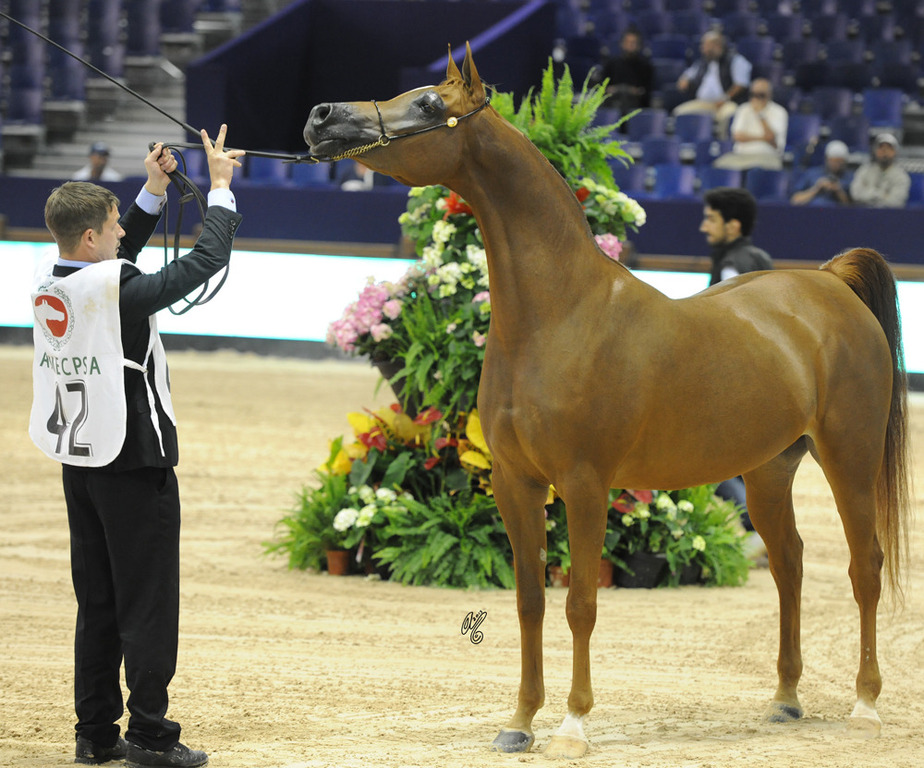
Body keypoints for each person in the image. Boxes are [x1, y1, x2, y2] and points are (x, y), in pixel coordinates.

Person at [30, 125, 244, 768]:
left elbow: (117, 274)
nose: (125, 231)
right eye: (117, 223)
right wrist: (222, 191)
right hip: (133, 458)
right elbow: (200, 264)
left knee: (97, 600)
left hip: (81, 460)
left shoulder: (53, 275)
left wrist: (152, 192)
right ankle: (151, 734)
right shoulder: (112, 288)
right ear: (91, 237)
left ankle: (95, 733)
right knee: (147, 603)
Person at [699, 186, 772, 563]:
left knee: (711, 456)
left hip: (732, 379)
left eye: (710, 219)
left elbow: (723, 323)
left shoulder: (731, 263)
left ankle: (753, 530)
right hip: (763, 376)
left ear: (733, 224)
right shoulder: (758, 256)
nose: (702, 226)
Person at [673, 31, 751, 137]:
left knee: (728, 115)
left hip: (726, 103)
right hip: (703, 103)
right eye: (703, 46)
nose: (704, 50)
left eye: (707, 46)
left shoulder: (735, 60)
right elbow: (687, 75)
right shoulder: (702, 62)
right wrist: (684, 81)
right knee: (679, 113)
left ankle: (724, 144)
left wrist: (725, 98)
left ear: (718, 46)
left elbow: (741, 84)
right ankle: (690, 142)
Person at [713, 78, 788, 171]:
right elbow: (737, 136)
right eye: (753, 95)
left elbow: (771, 138)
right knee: (718, 166)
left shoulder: (779, 111)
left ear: (769, 95)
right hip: (740, 156)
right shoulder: (743, 109)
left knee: (757, 171)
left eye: (761, 95)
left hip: (767, 156)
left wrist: (760, 114)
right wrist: (762, 138)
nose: (756, 98)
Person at [594, 28, 654, 112]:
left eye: (633, 43)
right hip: (613, 102)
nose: (630, 45)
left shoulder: (646, 67)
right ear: (622, 44)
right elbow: (602, 87)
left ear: (639, 46)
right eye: (627, 42)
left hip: (635, 105)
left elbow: (646, 92)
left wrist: (632, 91)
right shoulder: (611, 64)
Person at [849, 132, 911, 208]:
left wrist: (868, 191)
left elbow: (896, 201)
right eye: (881, 147)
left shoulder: (901, 176)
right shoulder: (864, 170)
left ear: (895, 152)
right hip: (864, 213)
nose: (884, 151)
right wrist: (882, 194)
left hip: (890, 215)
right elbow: (855, 194)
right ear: (875, 151)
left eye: (889, 148)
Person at [790, 139, 853, 206]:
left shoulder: (850, 178)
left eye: (839, 162)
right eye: (833, 161)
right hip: (811, 213)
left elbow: (852, 207)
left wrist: (838, 190)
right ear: (826, 159)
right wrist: (817, 188)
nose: (836, 165)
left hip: (838, 215)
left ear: (845, 162)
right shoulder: (812, 174)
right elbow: (795, 200)